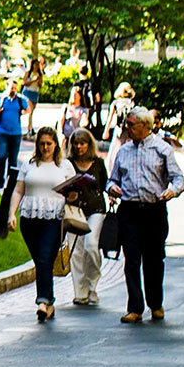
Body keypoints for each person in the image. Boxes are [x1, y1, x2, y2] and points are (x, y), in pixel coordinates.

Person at [106, 107, 184, 323]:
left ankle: (156, 304)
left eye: (132, 124)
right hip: (129, 210)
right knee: (131, 260)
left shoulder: (162, 149)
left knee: (154, 259)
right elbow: (112, 179)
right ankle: (135, 307)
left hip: (154, 210)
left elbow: (179, 179)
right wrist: (112, 188)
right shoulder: (123, 151)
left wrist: (172, 191)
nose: (128, 128)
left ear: (145, 126)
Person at [5, 127, 69, 322]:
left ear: (55, 144)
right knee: (42, 261)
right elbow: (18, 191)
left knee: (43, 257)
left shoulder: (65, 166)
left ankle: (42, 300)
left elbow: (73, 193)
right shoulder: (29, 165)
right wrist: (11, 214)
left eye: (49, 143)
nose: (45, 147)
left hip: (54, 218)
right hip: (30, 217)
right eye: (42, 144)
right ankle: (49, 302)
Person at [61, 126, 109, 307]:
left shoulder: (97, 163)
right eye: (76, 143)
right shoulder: (68, 164)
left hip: (95, 208)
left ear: (89, 145)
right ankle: (80, 292)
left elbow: (105, 184)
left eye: (83, 143)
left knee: (91, 245)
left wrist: (112, 192)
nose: (79, 147)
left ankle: (92, 285)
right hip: (74, 209)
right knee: (76, 251)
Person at [0, 78, 30, 189]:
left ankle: (10, 182)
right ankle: (0, 180)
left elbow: (28, 108)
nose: (13, 90)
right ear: (6, 87)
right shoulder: (0, 98)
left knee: (13, 159)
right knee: (1, 155)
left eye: (15, 88)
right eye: (11, 88)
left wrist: (24, 112)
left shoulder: (20, 100)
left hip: (16, 133)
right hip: (2, 132)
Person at [22, 55, 45, 119]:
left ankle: (30, 125)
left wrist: (39, 80)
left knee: (32, 111)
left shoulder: (40, 74)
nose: (36, 66)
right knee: (30, 109)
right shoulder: (28, 73)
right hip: (28, 92)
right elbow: (24, 82)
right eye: (35, 65)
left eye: (38, 65)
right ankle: (30, 127)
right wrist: (32, 80)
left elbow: (40, 85)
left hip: (35, 92)